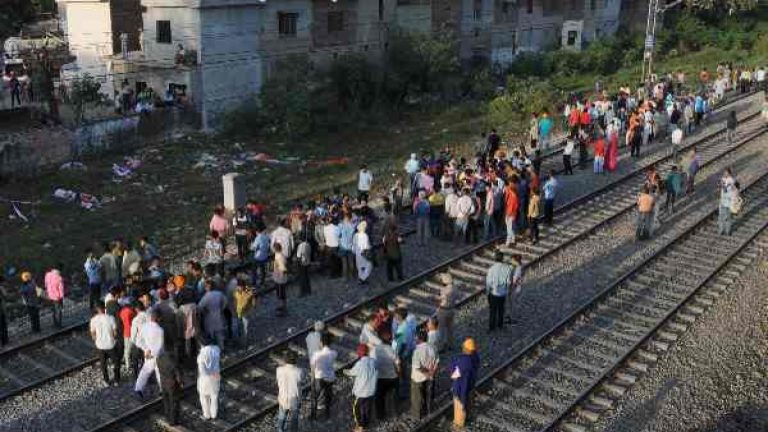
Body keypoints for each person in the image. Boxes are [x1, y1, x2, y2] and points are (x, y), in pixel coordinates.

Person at [345, 344, 378, 432]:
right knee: (367, 408)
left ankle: (360, 427)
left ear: (359, 354)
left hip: (361, 393)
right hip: (371, 391)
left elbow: (351, 372)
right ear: (367, 352)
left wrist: (345, 371)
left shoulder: (359, 364)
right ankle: (366, 424)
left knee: (356, 409)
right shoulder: (373, 362)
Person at [450, 338, 481, 428]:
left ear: (466, 349)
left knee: (460, 410)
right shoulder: (475, 358)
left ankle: (458, 426)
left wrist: (462, 400)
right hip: (471, 386)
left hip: (460, 390)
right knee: (469, 403)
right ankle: (468, 416)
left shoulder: (463, 362)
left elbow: (455, 376)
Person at [135, 310, 164, 398]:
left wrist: (146, 349)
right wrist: (153, 353)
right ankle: (162, 390)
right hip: (157, 355)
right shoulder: (160, 330)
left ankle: (138, 388)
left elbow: (138, 342)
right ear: (158, 319)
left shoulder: (144, 327)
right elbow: (160, 346)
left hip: (148, 354)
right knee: (159, 372)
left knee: (145, 371)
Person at [90, 304, 120, 385]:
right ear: (105, 308)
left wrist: (97, 339)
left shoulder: (93, 320)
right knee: (116, 362)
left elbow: (93, 335)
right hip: (110, 344)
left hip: (100, 345)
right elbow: (115, 333)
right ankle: (116, 380)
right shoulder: (111, 318)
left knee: (103, 364)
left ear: (97, 309)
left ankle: (106, 381)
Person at [410, 329, 438, 419]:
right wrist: (432, 372)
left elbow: (417, 366)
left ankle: (417, 415)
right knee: (428, 395)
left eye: (415, 338)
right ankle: (429, 411)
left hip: (418, 378)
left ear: (419, 339)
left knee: (417, 397)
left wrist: (426, 373)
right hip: (430, 377)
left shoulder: (417, 351)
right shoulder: (433, 347)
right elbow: (437, 361)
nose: (415, 340)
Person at [371, 330, 398, 420]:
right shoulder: (391, 350)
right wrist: (399, 373)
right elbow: (398, 363)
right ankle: (394, 413)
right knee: (393, 396)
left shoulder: (375, 350)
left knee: (379, 397)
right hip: (392, 377)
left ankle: (380, 415)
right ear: (389, 341)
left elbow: (372, 363)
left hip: (380, 377)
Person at [310, 332, 336, 420]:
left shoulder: (316, 354)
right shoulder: (334, 353)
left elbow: (313, 367)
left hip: (319, 377)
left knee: (315, 397)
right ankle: (327, 414)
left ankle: (313, 415)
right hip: (330, 378)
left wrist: (312, 379)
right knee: (328, 397)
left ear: (321, 342)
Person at [277, 351, 304, 432]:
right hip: (294, 397)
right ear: (295, 360)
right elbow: (301, 380)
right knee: (294, 417)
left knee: (282, 415)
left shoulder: (278, 370)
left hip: (283, 396)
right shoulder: (299, 371)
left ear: (285, 360)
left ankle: (280, 429)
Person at [485, 251, 513, 332]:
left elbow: (488, 283)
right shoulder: (508, 268)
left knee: (492, 310)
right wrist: (507, 291)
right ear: (502, 258)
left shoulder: (491, 269)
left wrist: (487, 293)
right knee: (501, 309)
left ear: (495, 258)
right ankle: (500, 325)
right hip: (503, 293)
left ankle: (491, 327)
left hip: (493, 293)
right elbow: (508, 282)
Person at [197, 337, 221, 420]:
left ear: (201, 344)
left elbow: (202, 370)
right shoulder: (216, 349)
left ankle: (207, 415)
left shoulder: (201, 355)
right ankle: (214, 415)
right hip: (216, 375)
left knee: (204, 397)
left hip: (205, 379)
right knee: (214, 397)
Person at [198, 280, 228, 347]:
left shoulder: (205, 297)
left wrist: (204, 312)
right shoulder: (220, 293)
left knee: (211, 336)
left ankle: (215, 351)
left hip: (209, 318)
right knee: (220, 335)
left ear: (207, 288)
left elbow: (199, 308)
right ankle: (222, 348)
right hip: (219, 316)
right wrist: (221, 309)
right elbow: (226, 302)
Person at [157, 352, 183, 425]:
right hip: (172, 384)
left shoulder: (159, 358)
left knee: (166, 401)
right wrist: (181, 383)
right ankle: (173, 421)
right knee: (174, 402)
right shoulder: (173, 361)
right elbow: (178, 374)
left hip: (163, 382)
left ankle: (167, 417)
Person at [436, 272, 456, 351]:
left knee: (441, 329)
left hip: (443, 310)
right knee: (450, 328)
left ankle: (440, 347)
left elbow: (439, 298)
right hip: (451, 310)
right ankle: (450, 344)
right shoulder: (454, 288)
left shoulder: (445, 290)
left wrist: (436, 296)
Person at [353, 221, 373, 285]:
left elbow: (354, 245)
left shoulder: (355, 235)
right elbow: (367, 245)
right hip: (364, 253)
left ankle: (361, 278)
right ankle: (364, 278)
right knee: (368, 265)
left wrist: (354, 251)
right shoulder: (365, 235)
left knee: (360, 267)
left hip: (358, 253)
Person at [272, 242, 289, 316]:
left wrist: (279, 274)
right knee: (280, 293)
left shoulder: (279, 257)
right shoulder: (279, 255)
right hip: (278, 278)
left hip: (280, 279)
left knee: (281, 294)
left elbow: (283, 269)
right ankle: (282, 307)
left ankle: (283, 308)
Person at [718, 169, 736, 236]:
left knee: (727, 217)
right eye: (724, 173)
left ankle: (728, 231)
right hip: (722, 201)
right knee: (721, 217)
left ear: (729, 173)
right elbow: (721, 188)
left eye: (726, 173)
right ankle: (721, 230)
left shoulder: (731, 180)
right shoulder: (722, 179)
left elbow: (732, 190)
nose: (725, 174)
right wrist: (720, 184)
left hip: (728, 202)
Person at [503, 179, 518, 247]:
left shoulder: (513, 197)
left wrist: (507, 216)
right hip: (512, 214)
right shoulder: (514, 196)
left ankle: (508, 242)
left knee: (509, 229)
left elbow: (511, 208)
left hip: (510, 215)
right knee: (511, 228)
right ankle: (513, 239)